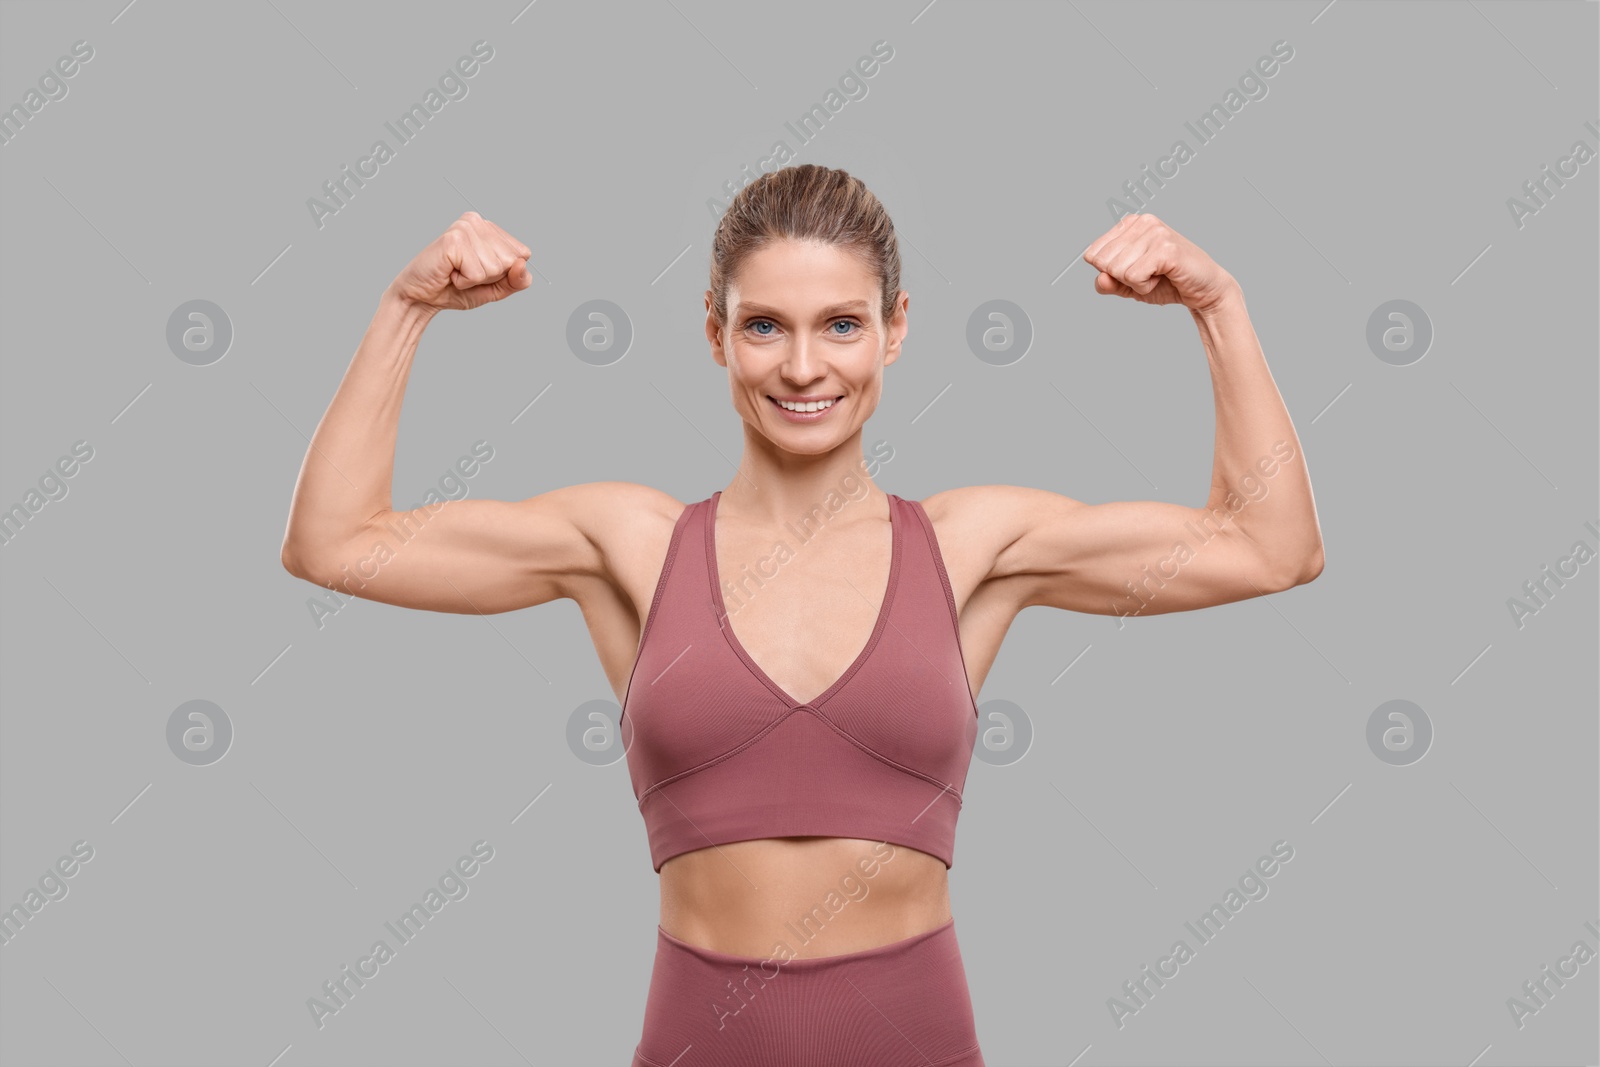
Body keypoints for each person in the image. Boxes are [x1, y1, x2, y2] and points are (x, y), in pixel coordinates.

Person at [280, 163, 1324, 1066]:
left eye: (841, 325)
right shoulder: (630, 544)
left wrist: (1218, 306)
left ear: (895, 330)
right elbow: (335, 541)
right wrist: (404, 308)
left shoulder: (970, 544)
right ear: (714, 332)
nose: (803, 367)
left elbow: (1268, 546)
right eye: (764, 325)